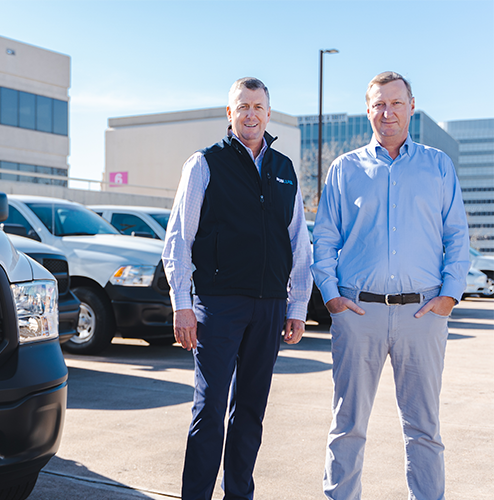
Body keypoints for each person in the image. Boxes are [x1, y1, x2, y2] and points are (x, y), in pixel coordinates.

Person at [312, 71, 470, 500]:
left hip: (423, 314)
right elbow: (324, 238)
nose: (388, 112)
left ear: (411, 107)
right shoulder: (345, 170)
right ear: (368, 110)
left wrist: (449, 297)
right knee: (347, 425)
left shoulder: (438, 166)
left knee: (424, 427)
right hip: (359, 314)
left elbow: (457, 235)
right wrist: (332, 297)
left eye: (396, 103)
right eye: (380, 104)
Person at [162, 77, 312, 500]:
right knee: (209, 410)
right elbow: (179, 239)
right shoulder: (205, 163)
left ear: (268, 113)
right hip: (218, 304)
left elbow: (298, 240)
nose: (250, 114)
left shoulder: (283, 169)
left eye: (258, 107)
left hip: (269, 307)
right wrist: (181, 304)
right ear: (230, 114)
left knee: (250, 412)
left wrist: (297, 304)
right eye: (242, 106)